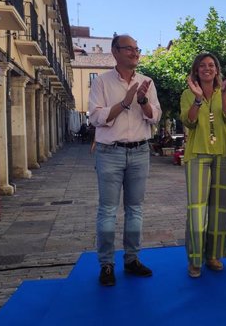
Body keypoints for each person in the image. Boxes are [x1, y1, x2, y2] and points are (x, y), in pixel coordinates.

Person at [88, 34, 162, 286]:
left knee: (135, 209)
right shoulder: (101, 82)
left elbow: (155, 117)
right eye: (129, 49)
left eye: (137, 49)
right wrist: (125, 101)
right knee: (108, 210)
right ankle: (106, 264)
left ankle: (132, 260)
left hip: (140, 151)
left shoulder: (147, 82)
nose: (134, 53)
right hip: (110, 152)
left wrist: (141, 101)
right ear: (115, 52)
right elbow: (96, 118)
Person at [180, 53, 226, 278]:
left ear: (216, 70)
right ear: (196, 70)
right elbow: (189, 121)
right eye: (202, 65)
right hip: (197, 154)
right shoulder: (187, 93)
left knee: (219, 209)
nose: (207, 68)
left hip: (223, 152)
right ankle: (195, 259)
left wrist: (223, 93)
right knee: (196, 209)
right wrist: (196, 99)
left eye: (211, 65)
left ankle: (213, 255)